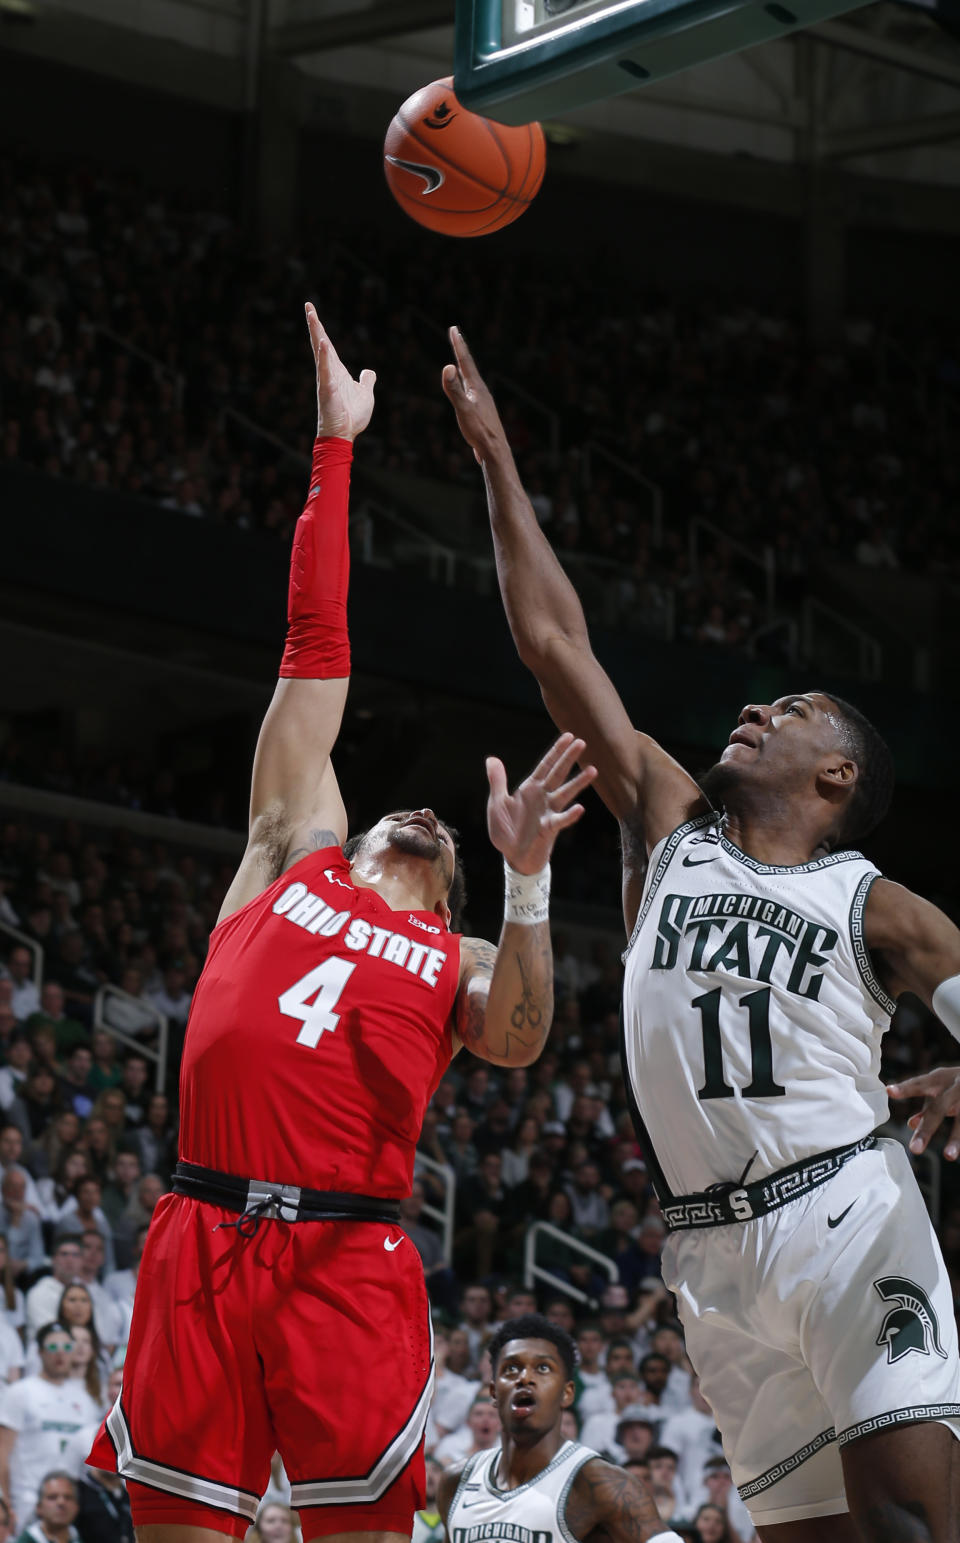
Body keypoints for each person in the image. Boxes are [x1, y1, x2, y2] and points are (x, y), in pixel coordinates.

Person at [442, 329, 960, 1541]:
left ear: (837, 772)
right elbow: (556, 645)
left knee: (907, 1529)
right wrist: (499, 464)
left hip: (845, 1218)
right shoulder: (671, 826)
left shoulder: (877, 904)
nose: (754, 709)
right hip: (710, 1260)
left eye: (789, 711)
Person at [86, 310, 595, 1543]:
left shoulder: (458, 955)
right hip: (200, 1231)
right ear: (356, 835)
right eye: (398, 811)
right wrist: (333, 450)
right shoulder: (287, 858)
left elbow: (520, 1039)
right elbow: (313, 651)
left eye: (448, 834)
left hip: (348, 1258)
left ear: (453, 890)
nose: (421, 812)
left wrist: (527, 882)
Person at [437, 1314, 681, 1543]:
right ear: (493, 1392)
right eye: (511, 1368)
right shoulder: (457, 1481)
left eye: (542, 1368)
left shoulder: (602, 1484)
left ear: (567, 1393)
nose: (524, 1378)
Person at [0, 1325, 98, 1529]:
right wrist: (7, 1503)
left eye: (66, 1346)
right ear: (40, 1351)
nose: (60, 1352)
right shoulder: (20, 1392)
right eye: (53, 1346)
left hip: (70, 1505)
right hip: (26, 1501)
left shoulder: (86, 1401)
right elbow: (2, 1453)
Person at [12, 1471, 80, 1543]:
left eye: (68, 1497)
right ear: (39, 1507)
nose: (61, 1502)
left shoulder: (76, 1536)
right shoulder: (27, 1540)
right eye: (52, 1497)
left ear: (77, 1507)